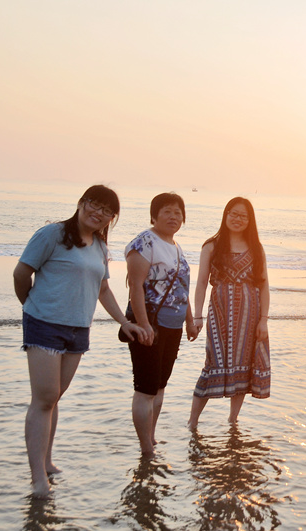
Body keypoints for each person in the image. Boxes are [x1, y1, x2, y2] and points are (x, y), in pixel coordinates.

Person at [14, 185, 145, 497]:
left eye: (107, 211)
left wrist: (125, 321)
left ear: (112, 218)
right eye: (94, 205)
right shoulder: (53, 234)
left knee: (54, 398)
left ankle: (47, 462)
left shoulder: (99, 246)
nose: (98, 213)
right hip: (44, 324)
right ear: (82, 203)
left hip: (78, 329)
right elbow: (21, 274)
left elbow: (103, 290)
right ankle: (38, 479)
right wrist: (32, 306)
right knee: (44, 398)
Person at [187, 197, 270, 429]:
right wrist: (197, 316)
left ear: (250, 220)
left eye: (243, 215)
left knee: (245, 365)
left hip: (250, 316)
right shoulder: (211, 246)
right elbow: (201, 283)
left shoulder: (256, 248)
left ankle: (233, 420)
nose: (237, 219)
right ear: (225, 215)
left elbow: (264, 286)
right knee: (212, 363)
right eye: (233, 213)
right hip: (220, 313)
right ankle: (192, 421)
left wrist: (264, 320)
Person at [125, 192, 198, 456]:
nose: (173, 216)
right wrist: (144, 325)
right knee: (145, 389)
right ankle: (145, 447)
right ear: (154, 215)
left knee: (159, 386)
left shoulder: (176, 247)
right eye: (167, 211)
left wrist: (190, 321)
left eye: (178, 212)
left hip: (173, 326)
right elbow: (135, 287)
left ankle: (151, 437)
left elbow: (181, 289)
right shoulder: (145, 242)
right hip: (150, 324)